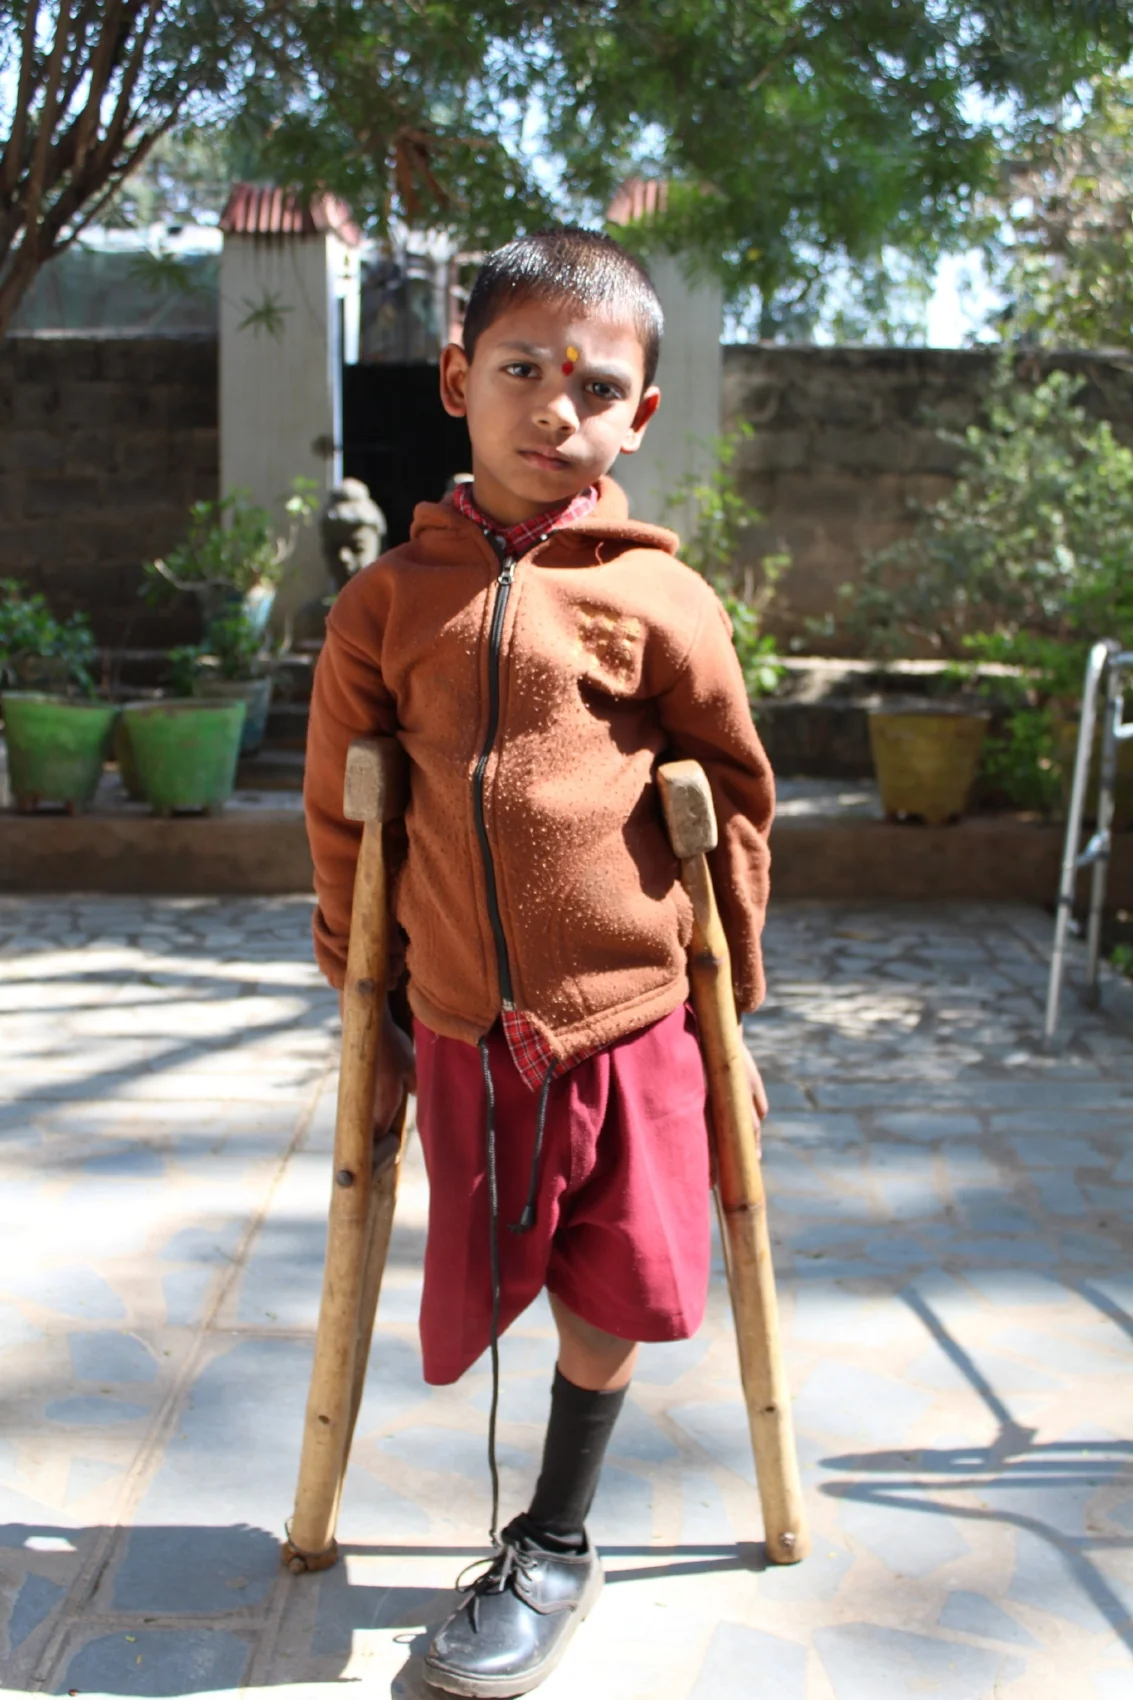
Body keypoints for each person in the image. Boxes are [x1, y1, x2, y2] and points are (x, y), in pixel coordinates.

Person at [304, 226, 773, 1698]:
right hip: (458, 1014)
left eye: (595, 386)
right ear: (457, 379)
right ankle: (546, 1527)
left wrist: (731, 1013)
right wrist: (358, 999)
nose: (553, 407)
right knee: (498, 1250)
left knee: (609, 1280)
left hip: (632, 1015)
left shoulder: (662, 602)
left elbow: (735, 804)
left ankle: (555, 1536)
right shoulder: (388, 604)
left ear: (638, 416)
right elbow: (339, 813)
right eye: (521, 368)